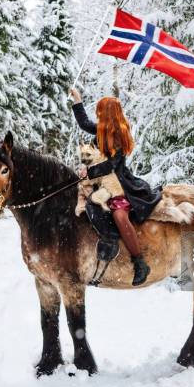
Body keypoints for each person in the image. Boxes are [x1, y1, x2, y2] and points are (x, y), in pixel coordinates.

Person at [70, 87, 162, 286]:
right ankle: (107, 241)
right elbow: (84, 123)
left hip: (119, 183)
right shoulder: (102, 130)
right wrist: (77, 101)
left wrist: (90, 172)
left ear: (109, 114)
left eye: (100, 112)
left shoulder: (119, 134)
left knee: (120, 215)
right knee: (90, 205)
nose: (97, 115)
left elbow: (112, 165)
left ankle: (139, 262)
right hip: (102, 182)